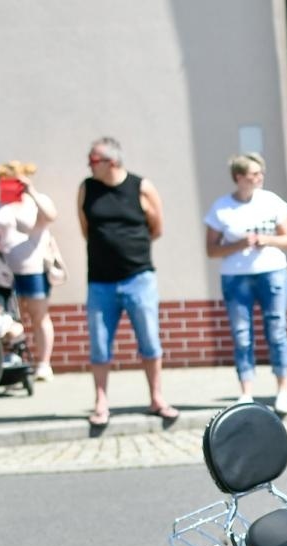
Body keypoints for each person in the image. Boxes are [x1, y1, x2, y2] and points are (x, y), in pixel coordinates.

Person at [77, 136, 177, 427]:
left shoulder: (141, 186)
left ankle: (157, 398)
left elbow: (156, 227)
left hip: (138, 277)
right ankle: (101, 403)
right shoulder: (87, 189)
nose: (89, 165)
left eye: (94, 160)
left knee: (149, 341)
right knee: (99, 345)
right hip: (100, 281)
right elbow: (86, 229)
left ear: (113, 162)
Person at [205, 152, 287, 412]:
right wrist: (237, 244)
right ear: (239, 177)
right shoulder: (221, 207)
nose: (260, 177)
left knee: (277, 329)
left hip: (272, 271)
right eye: (253, 174)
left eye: (261, 172)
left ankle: (283, 390)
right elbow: (211, 250)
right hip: (236, 276)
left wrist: (265, 240)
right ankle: (246, 392)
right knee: (242, 334)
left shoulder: (272, 202)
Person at [0, 160, 58, 380]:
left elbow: (51, 215)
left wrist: (30, 191)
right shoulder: (0, 206)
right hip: (6, 270)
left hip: (33, 267)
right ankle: (16, 360)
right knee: (11, 317)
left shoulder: (37, 201)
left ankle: (44, 363)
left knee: (38, 315)